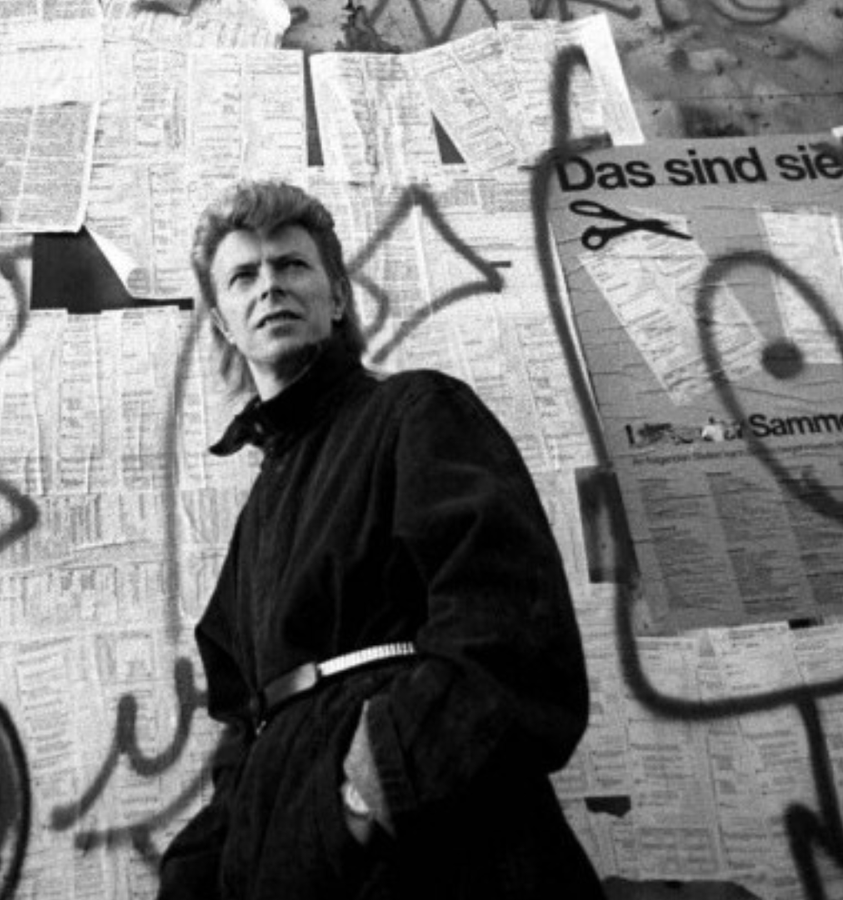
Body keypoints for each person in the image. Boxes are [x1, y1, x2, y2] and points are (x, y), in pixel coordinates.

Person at [158, 179, 604, 899]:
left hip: (434, 858)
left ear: (337, 298)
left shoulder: (416, 412)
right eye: (243, 276)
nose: (269, 285)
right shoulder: (259, 513)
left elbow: (510, 641)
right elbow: (243, 722)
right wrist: (206, 871)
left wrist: (363, 801)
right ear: (224, 325)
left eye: (292, 264)